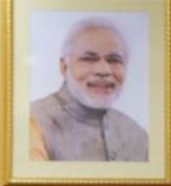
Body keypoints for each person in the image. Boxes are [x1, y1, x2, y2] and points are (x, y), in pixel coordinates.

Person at [29, 17, 147, 161]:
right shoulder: (33, 121)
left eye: (114, 60)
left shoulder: (136, 135)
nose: (103, 70)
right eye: (89, 59)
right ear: (64, 67)